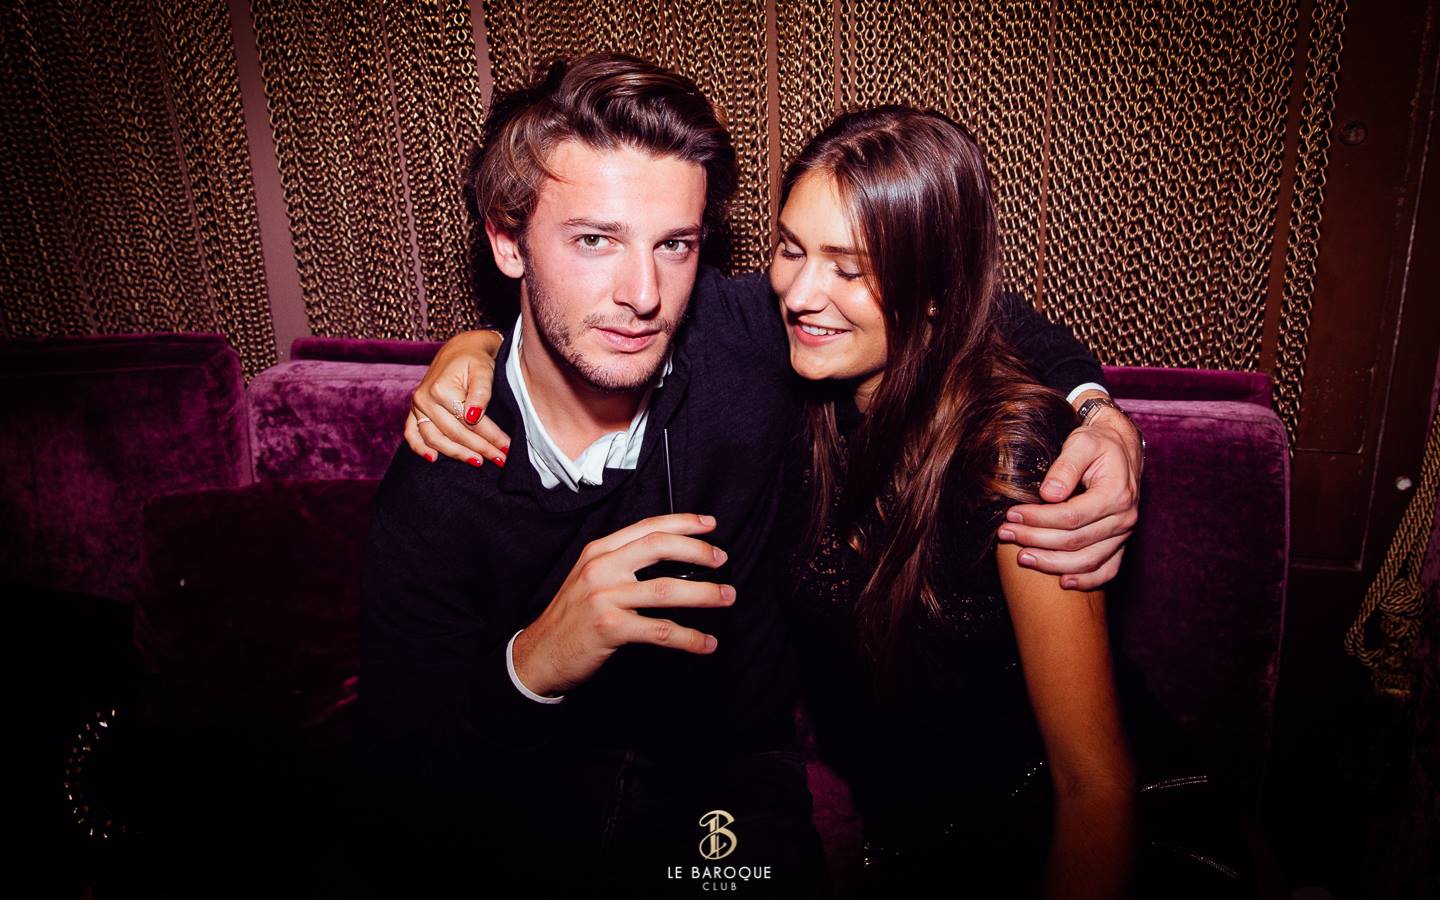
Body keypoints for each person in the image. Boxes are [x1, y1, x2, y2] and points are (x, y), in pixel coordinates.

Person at [367, 53, 1141, 897]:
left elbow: (952, 302)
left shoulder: (744, 337)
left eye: (675, 245)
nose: (643, 294)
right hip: (531, 807)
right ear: (507, 242)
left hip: (729, 792)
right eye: (595, 240)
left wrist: (1097, 410)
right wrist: (535, 663)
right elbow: (410, 790)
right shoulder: (438, 481)